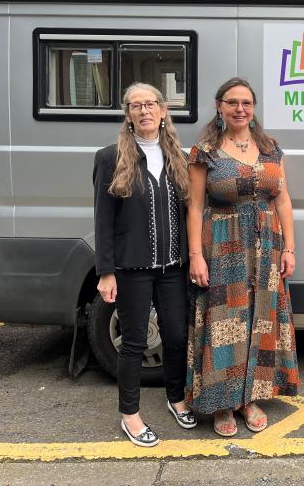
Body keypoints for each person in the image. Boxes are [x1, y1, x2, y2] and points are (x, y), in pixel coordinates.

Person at [186, 76, 299, 437]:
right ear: (219, 106)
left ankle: (250, 397)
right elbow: (195, 206)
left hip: (267, 246)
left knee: (261, 320)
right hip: (222, 246)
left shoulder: (270, 148)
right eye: (232, 102)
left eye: (246, 103)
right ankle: (222, 403)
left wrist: (289, 248)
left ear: (253, 108)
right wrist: (195, 257)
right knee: (225, 322)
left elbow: (282, 199)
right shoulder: (205, 150)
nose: (239, 109)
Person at [93, 82, 196, 447]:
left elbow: (189, 213)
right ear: (128, 115)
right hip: (131, 268)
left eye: (151, 104)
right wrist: (106, 271)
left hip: (172, 267)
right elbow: (103, 220)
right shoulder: (110, 158)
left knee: (176, 336)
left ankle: (176, 397)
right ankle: (130, 415)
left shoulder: (179, 157)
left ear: (164, 111)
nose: (144, 111)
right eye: (136, 106)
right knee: (134, 342)